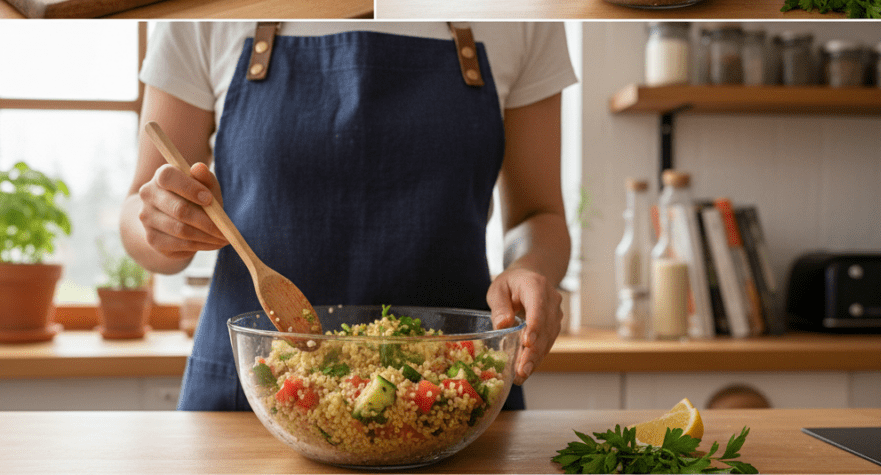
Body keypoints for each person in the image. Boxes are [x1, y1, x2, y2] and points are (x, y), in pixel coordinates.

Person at [119, 21, 577, 411]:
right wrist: (162, 225)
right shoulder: (207, 13)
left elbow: (540, 215)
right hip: (251, 397)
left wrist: (528, 269)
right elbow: (138, 212)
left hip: (451, 397)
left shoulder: (521, 17)